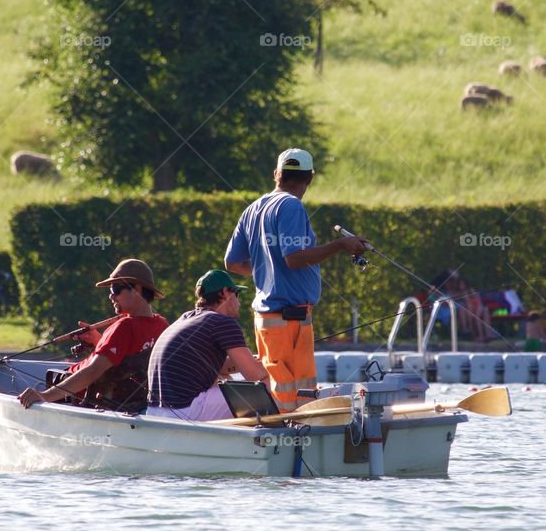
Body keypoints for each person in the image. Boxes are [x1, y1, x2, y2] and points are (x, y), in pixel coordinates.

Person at [224, 148, 368, 413]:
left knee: (278, 390)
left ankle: (278, 441)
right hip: (290, 321)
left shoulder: (253, 208)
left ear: (276, 174)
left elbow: (232, 263)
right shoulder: (291, 205)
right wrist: (340, 245)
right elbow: (294, 258)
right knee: (297, 400)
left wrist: (268, 271)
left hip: (266, 321)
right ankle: (295, 446)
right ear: (310, 178)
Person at [18, 259, 168, 412]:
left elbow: (93, 371)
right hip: (131, 402)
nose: (110, 296)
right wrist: (100, 341)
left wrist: (45, 396)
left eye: (115, 289)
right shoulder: (163, 326)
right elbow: (127, 360)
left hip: (78, 395)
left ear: (136, 289)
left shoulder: (124, 327)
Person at [147, 270, 268, 422]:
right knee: (268, 386)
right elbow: (256, 376)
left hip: (154, 412)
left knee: (223, 378)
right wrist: (273, 366)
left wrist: (254, 359)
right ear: (225, 292)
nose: (239, 301)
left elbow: (219, 367)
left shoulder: (186, 318)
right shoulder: (223, 322)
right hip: (185, 411)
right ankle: (285, 434)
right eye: (237, 294)